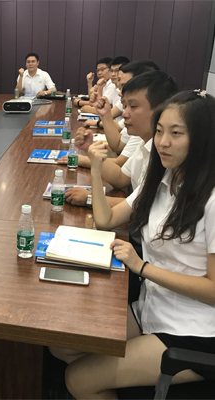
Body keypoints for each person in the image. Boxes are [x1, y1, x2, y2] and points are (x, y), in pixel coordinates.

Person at [51, 90, 215, 399]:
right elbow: (106, 220)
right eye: (160, 131)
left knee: (79, 378)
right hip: (152, 307)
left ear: (203, 138)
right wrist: (96, 168)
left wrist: (142, 267)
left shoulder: (212, 198)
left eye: (176, 133)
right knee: (63, 345)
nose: (162, 142)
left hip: (194, 331)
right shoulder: (163, 179)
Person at [65, 71, 178, 208]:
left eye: (133, 106)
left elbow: (145, 207)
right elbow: (120, 178)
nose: (124, 114)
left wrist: (90, 199)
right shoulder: (144, 142)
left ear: (160, 110)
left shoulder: (168, 153)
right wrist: (90, 149)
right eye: (125, 106)